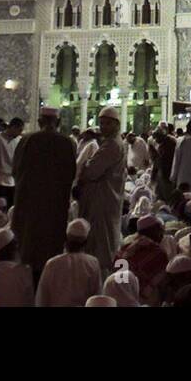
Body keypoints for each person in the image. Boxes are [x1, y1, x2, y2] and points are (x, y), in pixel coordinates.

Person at [11, 108, 76, 277]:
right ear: (59, 123)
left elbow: (15, 171)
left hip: (29, 204)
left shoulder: (26, 140)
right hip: (55, 206)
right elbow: (71, 174)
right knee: (50, 246)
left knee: (28, 245)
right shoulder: (67, 142)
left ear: (39, 122)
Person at [77, 106, 128, 270]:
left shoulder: (112, 145)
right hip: (106, 198)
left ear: (116, 125)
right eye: (101, 123)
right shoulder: (112, 143)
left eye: (107, 124)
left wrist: (85, 165)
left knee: (101, 241)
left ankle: (100, 275)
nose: (103, 127)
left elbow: (91, 171)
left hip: (104, 199)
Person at [36, 218, 101, 307]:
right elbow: (96, 298)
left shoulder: (52, 263)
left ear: (66, 239)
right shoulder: (92, 263)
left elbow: (42, 297)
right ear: (86, 242)